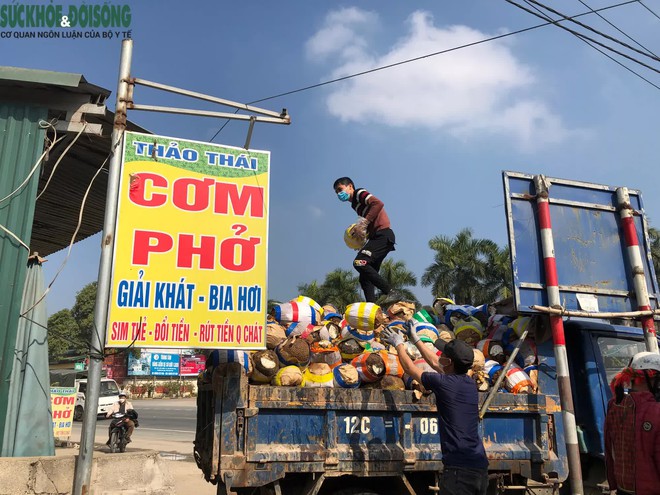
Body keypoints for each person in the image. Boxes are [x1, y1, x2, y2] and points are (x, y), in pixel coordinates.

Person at [381, 324, 489, 494]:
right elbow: (434, 361)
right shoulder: (468, 382)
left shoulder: (444, 383)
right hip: (479, 468)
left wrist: (399, 344)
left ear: (449, 362)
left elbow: (410, 369)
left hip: (459, 471)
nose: (440, 356)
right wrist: (416, 340)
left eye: (443, 355)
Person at [333, 177, 400, 304]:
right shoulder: (355, 205)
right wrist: (360, 234)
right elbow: (370, 220)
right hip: (375, 237)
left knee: (359, 262)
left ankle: (391, 291)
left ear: (350, 187)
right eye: (337, 192)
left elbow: (378, 204)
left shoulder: (359, 193)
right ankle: (372, 309)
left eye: (340, 189)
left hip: (383, 234)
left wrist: (364, 222)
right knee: (365, 278)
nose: (339, 194)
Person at [604, 351, 660, 495]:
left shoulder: (615, 405)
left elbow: (610, 450)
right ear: (651, 379)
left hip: (623, 488)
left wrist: (613, 485)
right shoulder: (655, 410)